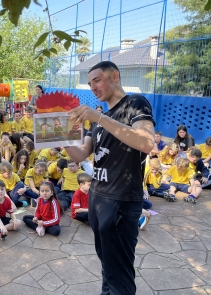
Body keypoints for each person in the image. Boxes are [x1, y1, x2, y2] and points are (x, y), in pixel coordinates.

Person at [63, 61, 155, 295]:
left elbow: (146, 143)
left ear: (114, 76)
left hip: (122, 200)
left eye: (97, 80)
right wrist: (58, 136)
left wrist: (99, 118)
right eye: (90, 82)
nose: (93, 86)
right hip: (98, 197)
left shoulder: (135, 103)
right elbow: (81, 154)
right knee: (108, 266)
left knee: (120, 273)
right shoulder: (101, 117)